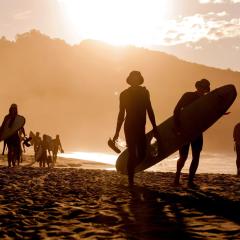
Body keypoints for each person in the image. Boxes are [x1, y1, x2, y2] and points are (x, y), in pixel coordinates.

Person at [113, 71, 159, 186]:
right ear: (130, 80)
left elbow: (150, 110)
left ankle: (130, 172)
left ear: (139, 80)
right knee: (133, 154)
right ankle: (131, 181)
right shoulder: (124, 94)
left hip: (140, 126)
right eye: (133, 78)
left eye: (137, 78)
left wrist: (154, 126)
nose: (135, 80)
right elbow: (121, 114)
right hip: (129, 126)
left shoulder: (144, 92)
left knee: (142, 154)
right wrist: (117, 132)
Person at [173, 79, 210, 188]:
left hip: (198, 131)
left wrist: (220, 111)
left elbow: (210, 114)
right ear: (198, 86)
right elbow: (176, 110)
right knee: (183, 156)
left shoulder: (206, 100)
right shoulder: (188, 95)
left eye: (205, 87)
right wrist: (177, 126)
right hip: (185, 130)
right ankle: (176, 178)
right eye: (202, 86)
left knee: (196, 156)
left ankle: (190, 181)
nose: (203, 89)